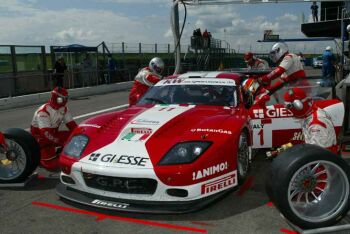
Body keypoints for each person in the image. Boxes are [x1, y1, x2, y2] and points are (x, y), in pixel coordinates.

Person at [30, 87, 77, 171]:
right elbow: (46, 134)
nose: (65, 100)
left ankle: (60, 151)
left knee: (73, 136)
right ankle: (39, 158)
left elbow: (73, 126)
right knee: (53, 166)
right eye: (63, 98)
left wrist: (80, 137)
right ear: (57, 98)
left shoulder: (64, 109)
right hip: (41, 139)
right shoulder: (43, 111)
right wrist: (62, 142)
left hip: (53, 135)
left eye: (66, 98)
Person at [283, 87, 337, 153]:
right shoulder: (310, 113)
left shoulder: (316, 123)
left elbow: (317, 153)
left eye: (289, 107)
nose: (289, 111)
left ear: (298, 106)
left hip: (322, 160)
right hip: (316, 155)